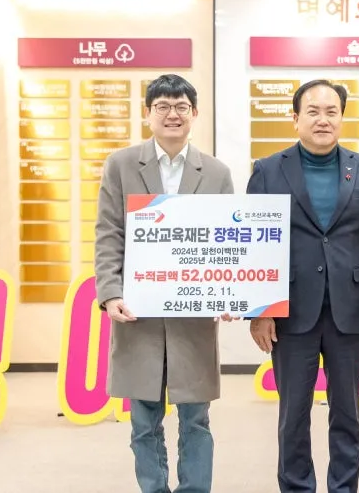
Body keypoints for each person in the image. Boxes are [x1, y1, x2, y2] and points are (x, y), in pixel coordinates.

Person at [246, 79, 359, 493]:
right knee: (293, 416)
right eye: (313, 111)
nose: (323, 119)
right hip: (290, 312)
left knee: (348, 415)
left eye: (332, 112)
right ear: (295, 119)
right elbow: (253, 245)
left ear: (342, 118)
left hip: (350, 311)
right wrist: (259, 311)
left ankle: (343, 488)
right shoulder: (268, 170)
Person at [94, 74, 234, 493]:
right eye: (162, 106)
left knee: (196, 420)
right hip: (139, 314)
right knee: (143, 421)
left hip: (193, 317)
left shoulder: (216, 172)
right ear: (148, 113)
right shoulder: (121, 165)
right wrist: (110, 293)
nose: (172, 114)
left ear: (194, 113)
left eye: (181, 107)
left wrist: (230, 292)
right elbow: (108, 233)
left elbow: (227, 240)